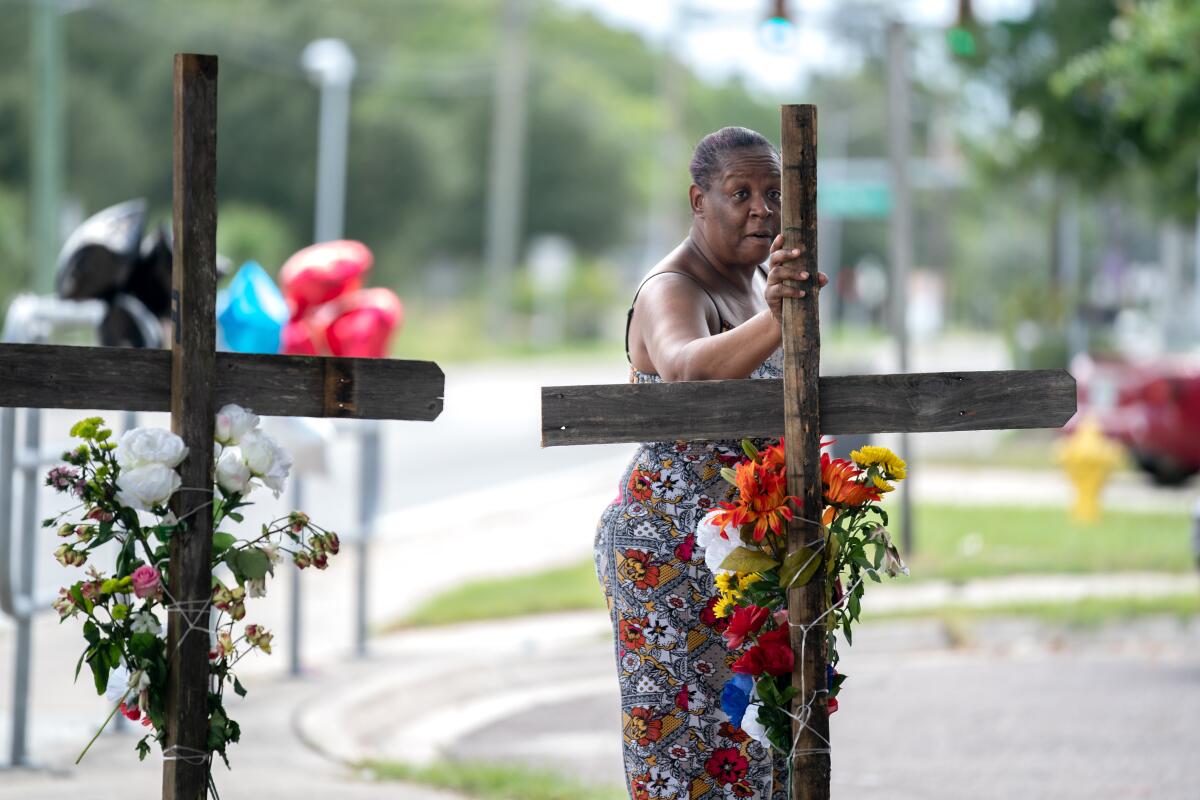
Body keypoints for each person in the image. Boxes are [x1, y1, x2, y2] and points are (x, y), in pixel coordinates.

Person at [594, 126, 826, 800]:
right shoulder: (674, 287)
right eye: (741, 193)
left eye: (773, 193)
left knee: (758, 750)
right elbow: (687, 369)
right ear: (699, 201)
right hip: (666, 559)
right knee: (684, 761)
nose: (762, 208)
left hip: (741, 559)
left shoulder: (756, 283)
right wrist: (779, 318)